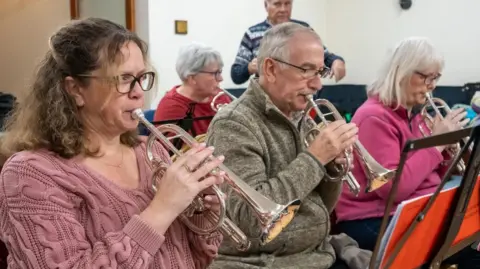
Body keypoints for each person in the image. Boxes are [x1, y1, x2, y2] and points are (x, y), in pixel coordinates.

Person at [0, 18, 226, 269]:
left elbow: (191, 260)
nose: (139, 92)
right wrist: (163, 208)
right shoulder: (30, 174)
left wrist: (202, 215)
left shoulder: (151, 151)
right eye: (123, 78)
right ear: (75, 89)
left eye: (142, 77)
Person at [206, 22, 371, 269]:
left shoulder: (298, 114)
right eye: (307, 70)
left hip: (314, 255)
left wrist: (332, 170)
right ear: (271, 69)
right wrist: (314, 159)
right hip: (265, 263)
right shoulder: (234, 124)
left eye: (320, 72)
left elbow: (318, 208)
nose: (317, 84)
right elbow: (252, 220)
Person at [335, 36, 480, 268]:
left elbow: (431, 176)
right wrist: (436, 145)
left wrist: (448, 153)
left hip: (415, 211)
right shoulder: (374, 117)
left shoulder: (413, 114)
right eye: (425, 77)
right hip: (372, 219)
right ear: (400, 73)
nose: (432, 85)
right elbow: (395, 188)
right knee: (471, 254)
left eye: (436, 77)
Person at [231, 0, 346, 85]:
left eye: (287, 3)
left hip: (303, 99)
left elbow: (325, 56)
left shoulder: (303, 29)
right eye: (277, 4)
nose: (283, 9)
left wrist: (337, 61)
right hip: (266, 103)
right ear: (266, 5)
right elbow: (236, 75)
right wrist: (250, 67)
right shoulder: (252, 33)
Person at [154, 43, 232, 137]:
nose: (220, 79)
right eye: (214, 73)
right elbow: (175, 150)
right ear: (192, 78)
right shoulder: (172, 108)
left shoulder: (221, 98)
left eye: (220, 72)